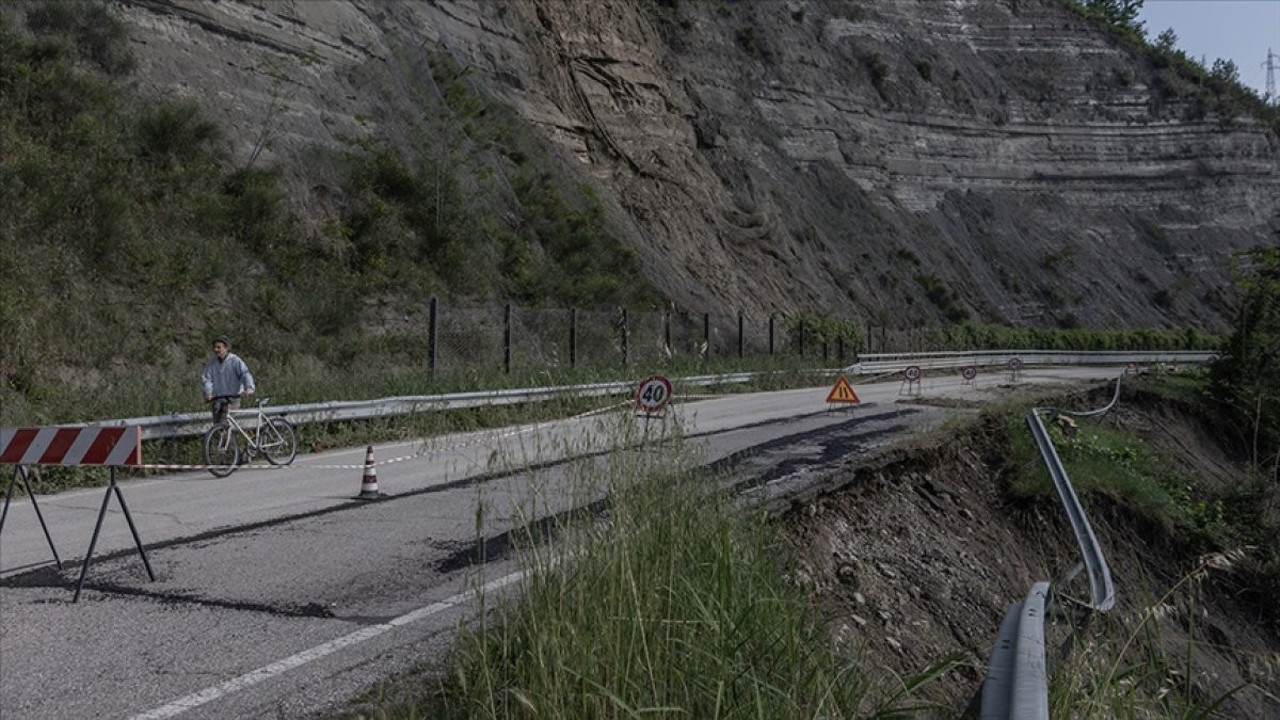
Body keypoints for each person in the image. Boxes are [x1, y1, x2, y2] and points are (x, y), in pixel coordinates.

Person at [201, 335, 255, 425]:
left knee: (224, 424)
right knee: (217, 427)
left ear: (226, 348)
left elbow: (245, 374)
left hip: (232, 398)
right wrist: (208, 392)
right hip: (218, 398)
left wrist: (249, 389)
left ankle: (226, 438)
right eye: (215, 347)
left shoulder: (235, 361)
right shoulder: (212, 363)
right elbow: (207, 379)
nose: (216, 350)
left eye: (219, 347)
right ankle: (229, 439)